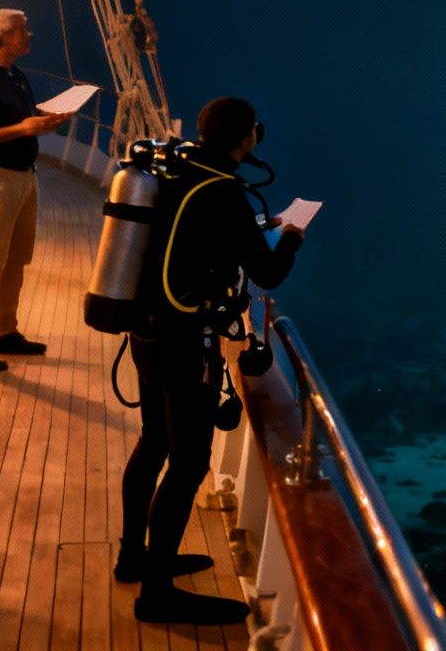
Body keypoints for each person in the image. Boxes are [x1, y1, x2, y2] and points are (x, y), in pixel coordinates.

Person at [120, 97, 302, 625]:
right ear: (245, 138)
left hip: (146, 327)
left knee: (153, 440)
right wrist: (290, 240)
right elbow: (267, 274)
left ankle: (136, 557)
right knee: (190, 462)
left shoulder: (175, 169)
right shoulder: (225, 192)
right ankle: (157, 593)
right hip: (185, 342)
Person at [0, 8, 71, 373]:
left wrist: (44, 123)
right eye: (22, 30)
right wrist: (24, 129)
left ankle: (6, 332)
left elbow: (22, 123)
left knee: (16, 260)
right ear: (3, 37)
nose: (29, 36)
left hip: (23, 177)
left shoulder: (15, 76)